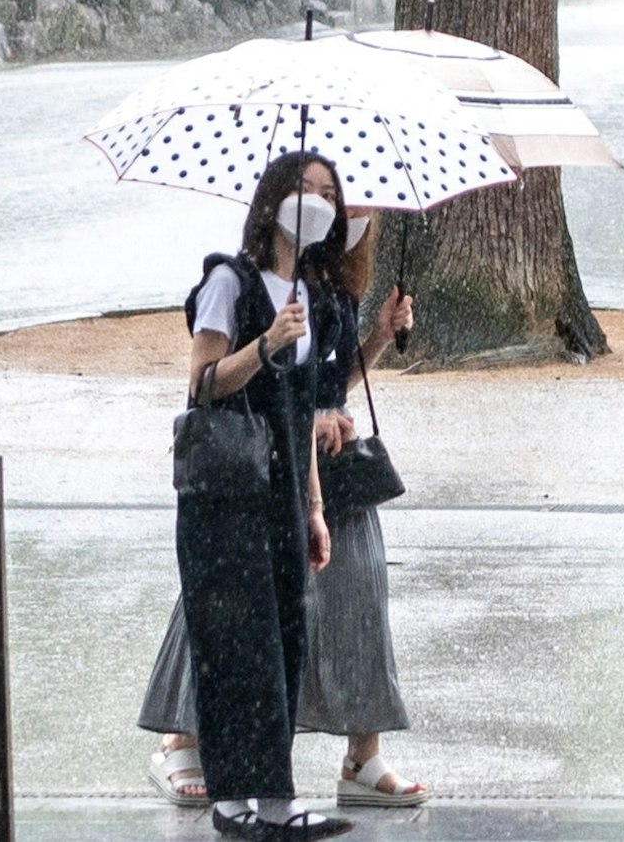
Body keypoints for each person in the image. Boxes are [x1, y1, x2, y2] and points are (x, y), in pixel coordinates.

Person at [143, 196, 423, 810]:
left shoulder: (337, 289)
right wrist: (305, 407)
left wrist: (377, 337)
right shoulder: (256, 282)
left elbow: (328, 382)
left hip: (330, 463)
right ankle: (181, 734)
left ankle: (362, 752)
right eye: (339, 201)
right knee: (233, 594)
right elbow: (228, 379)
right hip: (262, 459)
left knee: (359, 588)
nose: (352, 216)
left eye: (360, 206)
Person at [170, 151, 356, 842]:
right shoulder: (230, 279)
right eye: (303, 188)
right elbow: (203, 379)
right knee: (229, 642)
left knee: (283, 640)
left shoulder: (314, 294)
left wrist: (313, 505)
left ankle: (276, 797)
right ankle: (231, 797)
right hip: (223, 493)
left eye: (328, 193)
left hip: (280, 495)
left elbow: (301, 410)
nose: (316, 201)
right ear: (273, 198)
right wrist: (267, 342)